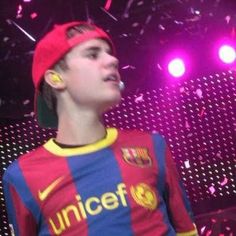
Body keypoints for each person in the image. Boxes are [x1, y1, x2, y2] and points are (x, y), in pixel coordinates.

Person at [3, 21, 198, 236]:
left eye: (109, 53)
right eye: (93, 54)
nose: (113, 60)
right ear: (55, 78)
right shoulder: (21, 176)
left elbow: (186, 230)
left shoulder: (152, 146)